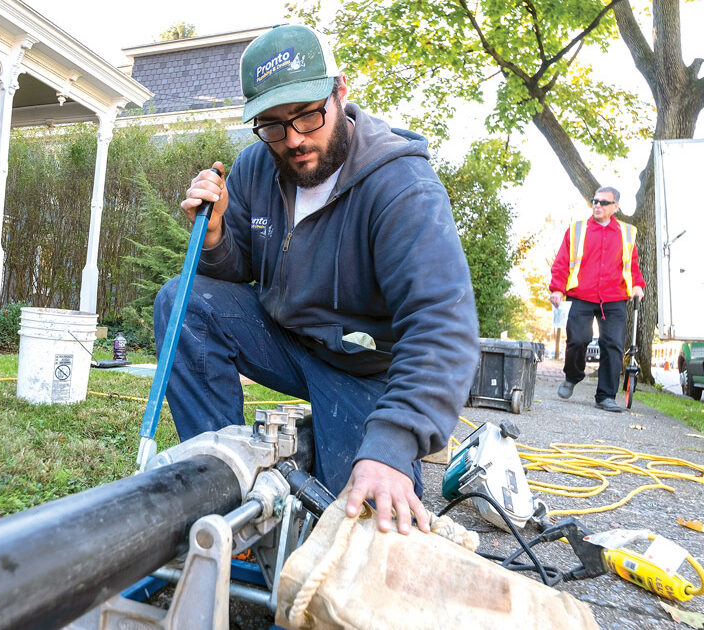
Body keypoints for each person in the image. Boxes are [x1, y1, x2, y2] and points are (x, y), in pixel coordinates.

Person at [157, 25, 478, 535]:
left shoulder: (400, 186)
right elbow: (239, 273)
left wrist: (391, 446)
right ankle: (221, 483)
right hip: (287, 340)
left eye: (308, 114)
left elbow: (442, 325)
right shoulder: (255, 168)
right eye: (273, 126)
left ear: (340, 91)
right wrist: (216, 235)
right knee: (182, 301)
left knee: (355, 524)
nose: (295, 139)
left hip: (363, 368)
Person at [549, 187, 645, 413]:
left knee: (612, 345)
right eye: (595, 201)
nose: (597, 205)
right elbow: (562, 261)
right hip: (581, 294)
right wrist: (557, 288)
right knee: (578, 340)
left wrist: (638, 285)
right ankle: (572, 376)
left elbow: (631, 265)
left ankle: (605, 396)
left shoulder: (627, 232)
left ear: (615, 207)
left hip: (613, 297)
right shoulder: (577, 230)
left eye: (603, 202)